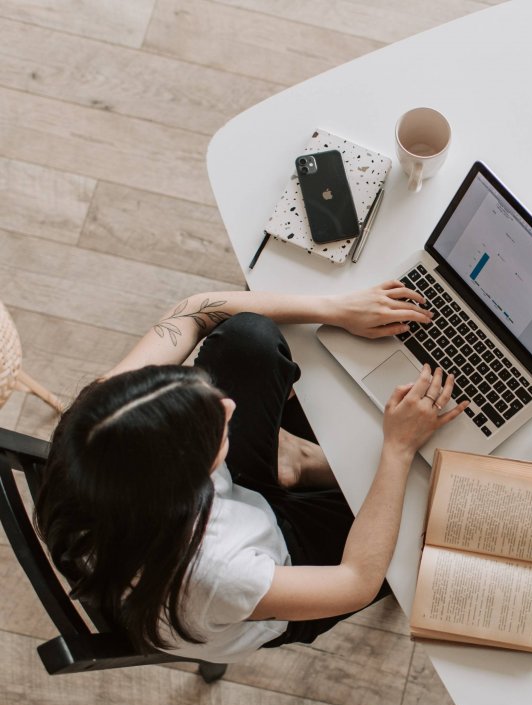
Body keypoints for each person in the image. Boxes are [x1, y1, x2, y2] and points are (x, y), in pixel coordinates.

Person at [34, 280, 467, 663]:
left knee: (246, 337)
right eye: (214, 431)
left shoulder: (99, 424)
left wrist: (335, 308)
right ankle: (297, 464)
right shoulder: (218, 573)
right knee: (434, 516)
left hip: (208, 519)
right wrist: (397, 448)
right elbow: (356, 581)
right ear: (189, 483)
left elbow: (193, 312)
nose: (228, 405)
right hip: (278, 571)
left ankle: (292, 464)